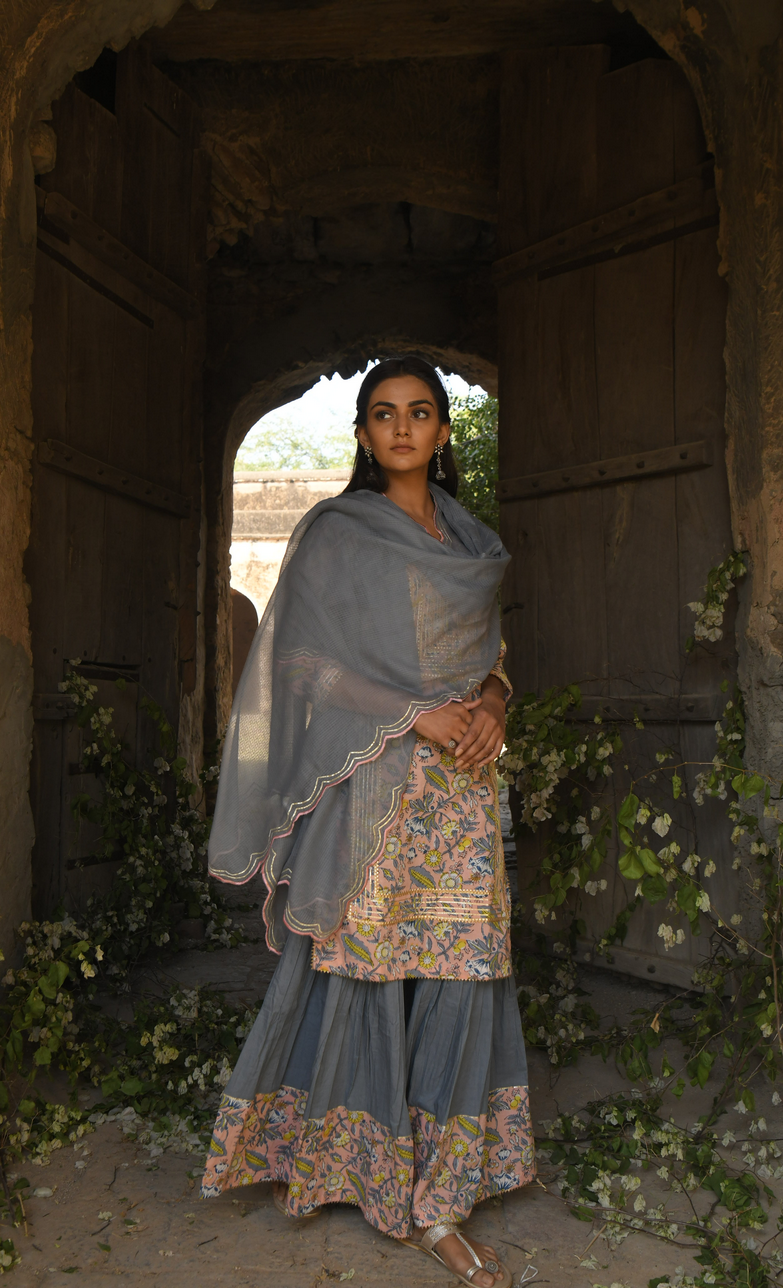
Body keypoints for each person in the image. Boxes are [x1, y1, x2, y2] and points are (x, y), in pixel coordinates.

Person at [202, 357, 534, 1287]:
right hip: (376, 782)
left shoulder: (472, 544)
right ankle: (363, 1167)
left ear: (441, 432)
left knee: (465, 970)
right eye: (382, 415)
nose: (400, 429)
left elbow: (494, 661)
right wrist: (414, 712)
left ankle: (444, 1194)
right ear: (360, 434)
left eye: (419, 414)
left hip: (461, 793)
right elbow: (303, 664)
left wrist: (496, 704)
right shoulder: (337, 535)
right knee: (370, 971)